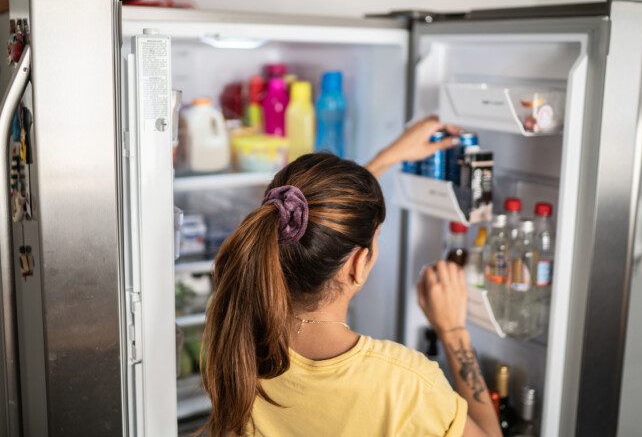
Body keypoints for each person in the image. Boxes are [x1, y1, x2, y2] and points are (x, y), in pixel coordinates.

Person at [202, 117, 501, 436]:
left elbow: (315, 221)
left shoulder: (235, 339)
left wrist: (389, 156)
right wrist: (453, 331)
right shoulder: (407, 384)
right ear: (359, 264)